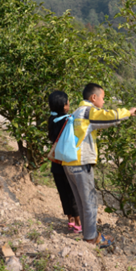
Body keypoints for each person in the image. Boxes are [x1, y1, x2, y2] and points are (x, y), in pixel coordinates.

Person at [63, 83, 136, 248]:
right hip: (80, 163)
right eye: (103, 98)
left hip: (68, 164)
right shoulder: (89, 111)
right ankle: (91, 238)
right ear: (93, 98)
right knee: (89, 202)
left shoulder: (77, 112)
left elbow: (99, 124)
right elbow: (109, 116)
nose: (103, 102)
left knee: (82, 201)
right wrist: (129, 112)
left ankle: (88, 235)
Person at [48, 91, 81, 233]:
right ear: (65, 106)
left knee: (63, 192)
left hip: (56, 162)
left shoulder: (51, 119)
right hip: (68, 162)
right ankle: (79, 222)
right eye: (67, 102)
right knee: (73, 192)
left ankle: (70, 220)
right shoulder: (69, 120)